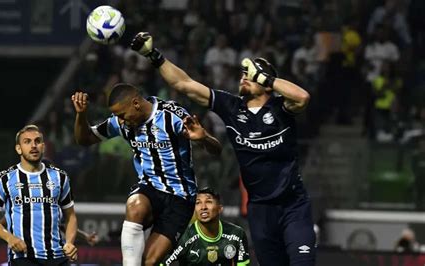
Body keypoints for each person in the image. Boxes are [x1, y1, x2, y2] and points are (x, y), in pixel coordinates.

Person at [131, 32, 316, 266]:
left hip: (293, 205)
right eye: (244, 74)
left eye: (252, 74)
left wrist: (265, 78)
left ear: (267, 82)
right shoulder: (231, 107)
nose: (245, 77)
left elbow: (303, 97)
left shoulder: (282, 108)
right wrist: (153, 55)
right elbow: (184, 84)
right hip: (260, 209)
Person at [71, 83, 222, 265]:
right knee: (135, 205)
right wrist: (81, 114)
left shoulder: (171, 116)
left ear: (135, 103)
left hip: (180, 197)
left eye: (122, 115)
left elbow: (217, 150)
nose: (121, 120)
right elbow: (84, 139)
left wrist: (204, 138)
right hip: (149, 188)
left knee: (149, 261)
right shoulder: (121, 122)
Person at [0, 125, 78, 265]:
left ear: (43, 146)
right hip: (23, 258)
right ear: (18, 148)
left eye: (37, 141)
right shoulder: (3, 179)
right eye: (27, 142)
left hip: (58, 257)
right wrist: (10, 238)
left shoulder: (60, 177)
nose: (33, 145)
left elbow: (70, 216)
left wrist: (70, 243)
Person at [164, 187, 250, 265]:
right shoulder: (183, 237)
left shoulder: (237, 234)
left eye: (208, 202)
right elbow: (162, 262)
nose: (203, 207)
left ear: (219, 209)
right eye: (198, 203)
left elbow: (243, 264)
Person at [0, 216, 99, 261]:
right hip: (25, 257)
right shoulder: (23, 204)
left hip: (51, 257)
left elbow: (62, 225)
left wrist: (85, 236)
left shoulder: (52, 202)